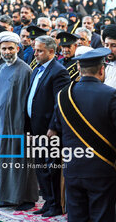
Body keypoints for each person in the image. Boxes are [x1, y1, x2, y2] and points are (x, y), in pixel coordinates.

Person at [54, 47, 116, 222]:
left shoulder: (63, 95)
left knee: (76, 217)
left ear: (79, 70)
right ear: (101, 69)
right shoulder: (110, 94)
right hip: (102, 169)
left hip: (73, 168)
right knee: (102, 216)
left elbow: (53, 130)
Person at [0, 31, 38, 209]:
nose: (7, 52)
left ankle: (24, 199)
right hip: (0, 126)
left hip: (17, 126)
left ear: (17, 48)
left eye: (10, 48)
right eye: (4, 48)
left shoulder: (25, 70)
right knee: (1, 160)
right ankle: (4, 197)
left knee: (19, 161)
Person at [25, 35, 70, 217]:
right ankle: (48, 202)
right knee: (40, 168)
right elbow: (32, 98)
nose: (35, 53)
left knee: (51, 168)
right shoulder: (37, 69)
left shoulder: (59, 71)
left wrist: (53, 127)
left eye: (40, 50)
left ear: (51, 51)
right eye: (35, 49)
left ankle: (56, 205)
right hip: (35, 127)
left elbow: (59, 103)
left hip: (49, 130)